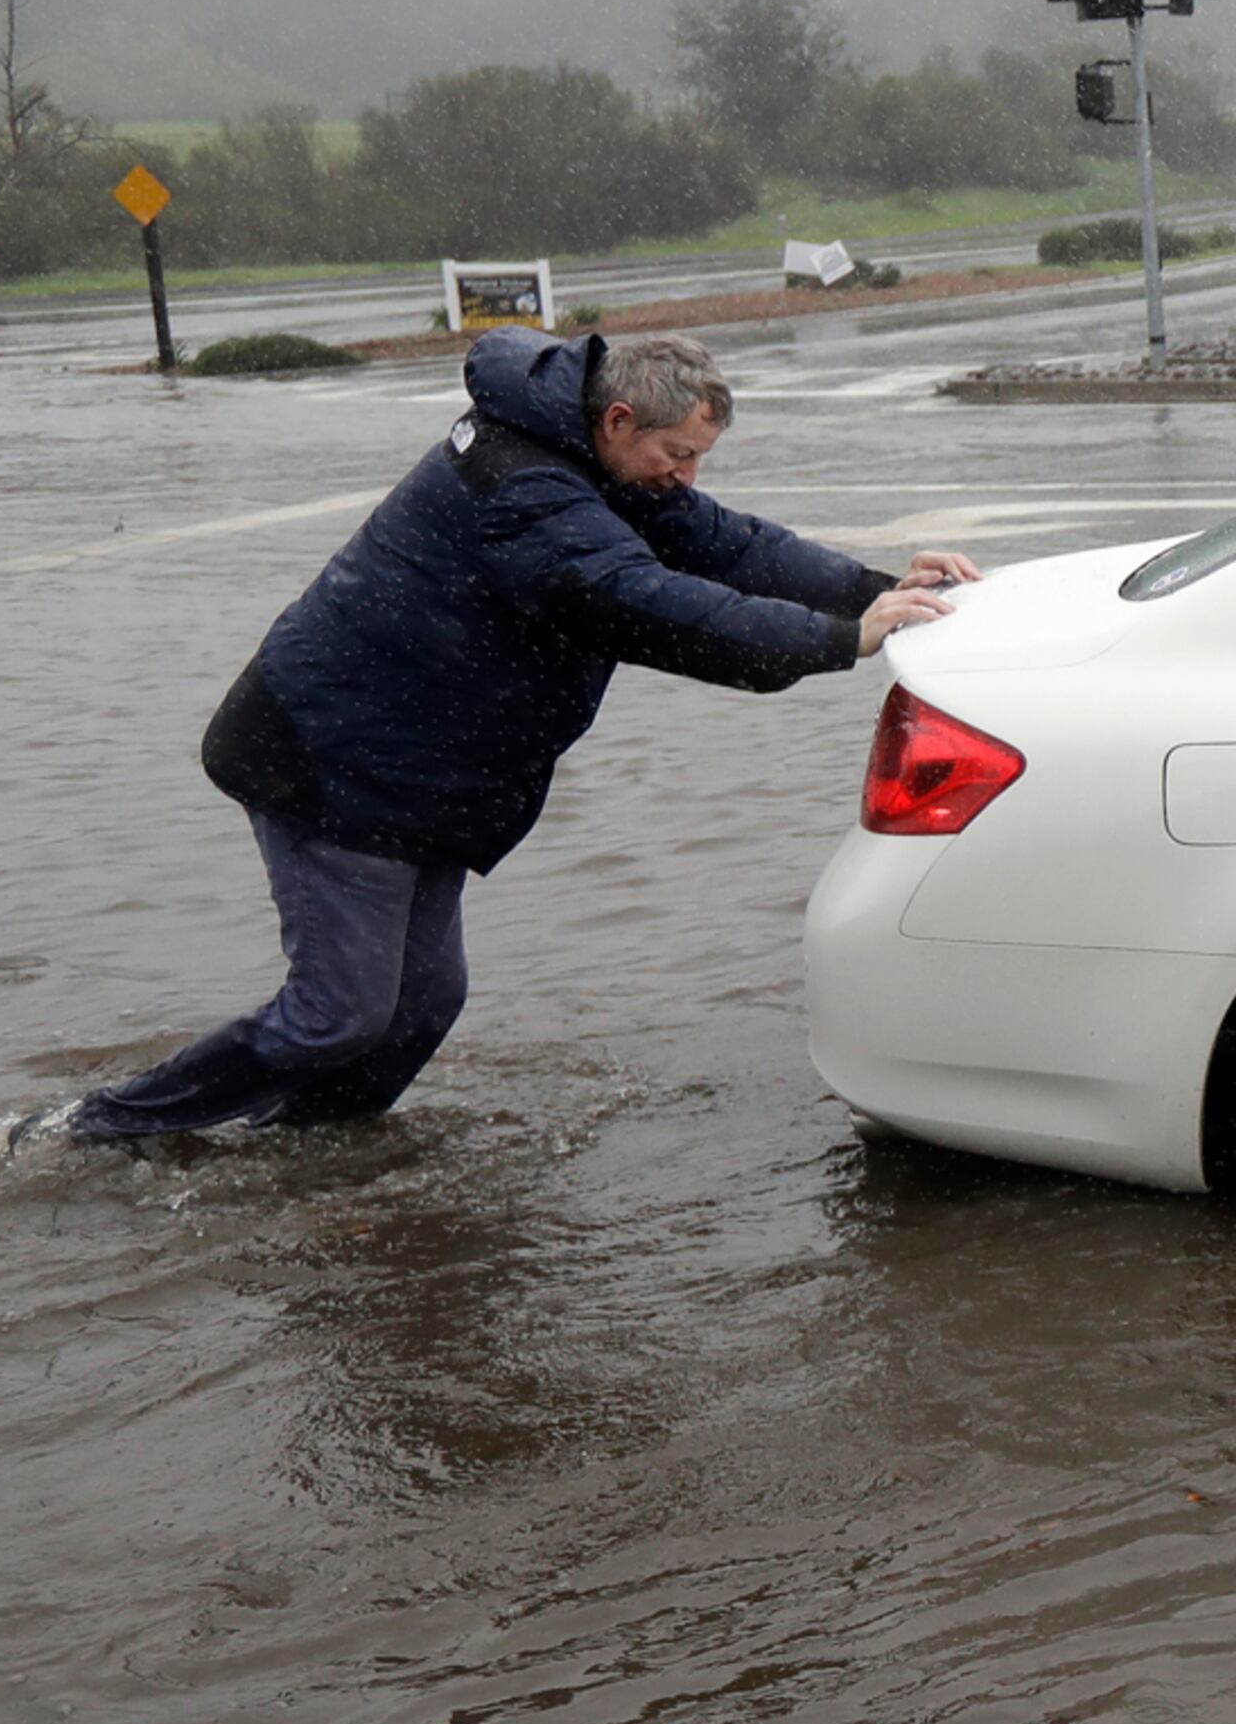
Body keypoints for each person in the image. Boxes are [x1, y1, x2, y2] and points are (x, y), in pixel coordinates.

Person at [61, 329, 975, 1141]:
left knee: (422, 1003)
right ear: (618, 418)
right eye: (676, 453)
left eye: (698, 456)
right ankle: (100, 1129)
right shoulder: (525, 486)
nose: (685, 477)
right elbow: (642, 603)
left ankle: (306, 1148)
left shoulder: (598, 458)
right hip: (331, 759)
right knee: (337, 1013)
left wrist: (874, 587)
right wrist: (835, 640)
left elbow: (726, 543)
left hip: (422, 771)